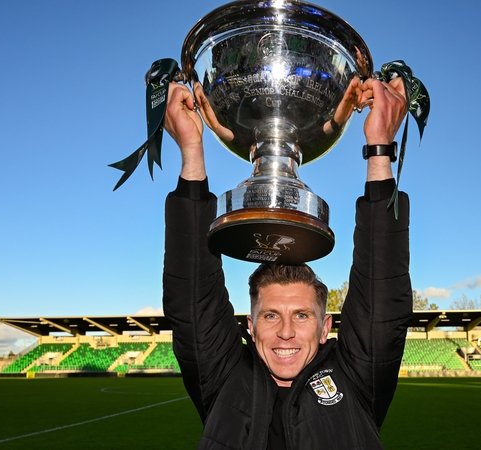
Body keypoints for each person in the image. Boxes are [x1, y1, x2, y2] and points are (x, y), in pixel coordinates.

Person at [161, 75, 413, 449]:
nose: (285, 332)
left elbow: (382, 295)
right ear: (250, 325)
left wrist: (380, 149)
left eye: (301, 315)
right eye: (270, 315)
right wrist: (192, 151)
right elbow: (191, 296)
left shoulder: (354, 378)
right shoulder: (226, 377)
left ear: (325, 326)